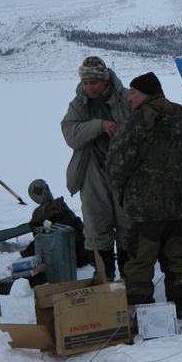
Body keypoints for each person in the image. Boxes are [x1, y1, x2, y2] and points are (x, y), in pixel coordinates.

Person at [106, 71, 182, 318]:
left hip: (145, 210)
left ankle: (141, 309)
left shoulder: (136, 122)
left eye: (133, 93)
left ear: (145, 94)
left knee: (140, 262)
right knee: (176, 259)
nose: (129, 98)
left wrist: (121, 187)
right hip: (179, 206)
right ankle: (180, 306)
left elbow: (116, 164)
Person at [61, 56, 132, 280]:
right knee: (96, 224)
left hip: (124, 171)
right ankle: (105, 275)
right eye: (85, 83)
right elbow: (70, 134)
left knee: (127, 225)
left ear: (105, 80)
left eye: (93, 83)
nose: (89, 88)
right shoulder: (78, 103)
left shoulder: (126, 97)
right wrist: (98, 126)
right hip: (92, 168)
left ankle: (130, 278)